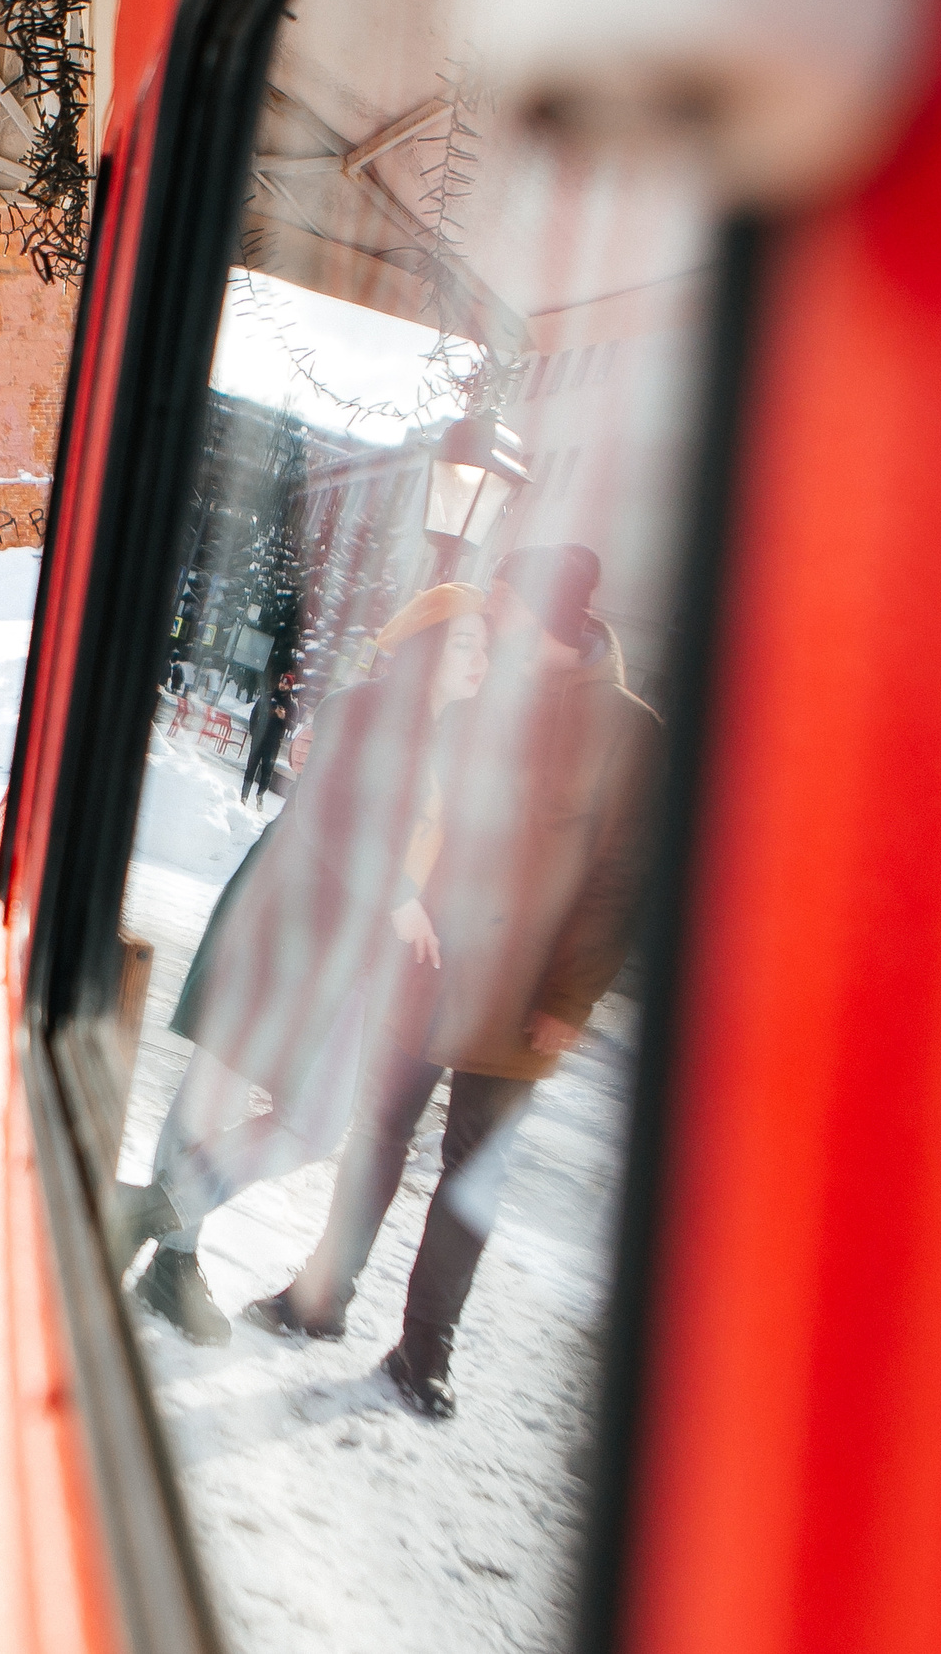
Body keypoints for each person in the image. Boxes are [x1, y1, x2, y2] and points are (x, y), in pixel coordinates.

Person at [246, 544, 662, 1421]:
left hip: (525, 1002)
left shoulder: (630, 730)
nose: (491, 616)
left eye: (505, 602)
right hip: (428, 965)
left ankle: (424, 1354)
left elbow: (623, 878)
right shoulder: (482, 694)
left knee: (472, 1175)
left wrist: (570, 1001)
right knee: (377, 1136)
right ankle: (321, 1298)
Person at [116, 584, 491, 1341]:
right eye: (464, 642)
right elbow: (325, 807)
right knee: (211, 1093)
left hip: (350, 957)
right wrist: (398, 898)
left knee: (314, 1125)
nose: (480, 658)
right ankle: (171, 1264)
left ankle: (148, 1212)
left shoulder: (445, 733)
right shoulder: (366, 707)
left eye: (485, 646)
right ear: (425, 647)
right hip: (285, 925)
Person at [242, 670, 295, 804]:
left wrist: (283, 717)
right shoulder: (267, 696)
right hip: (259, 738)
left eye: (286, 684)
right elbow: (255, 713)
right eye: (281, 682)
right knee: (251, 767)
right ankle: (244, 795)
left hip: (273, 742)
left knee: (267, 770)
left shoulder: (291, 704)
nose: (282, 686)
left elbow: (292, 725)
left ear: (290, 687)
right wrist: (253, 731)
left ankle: (260, 795)